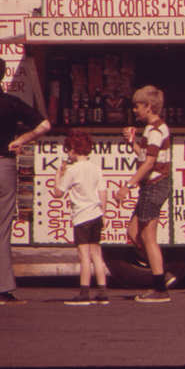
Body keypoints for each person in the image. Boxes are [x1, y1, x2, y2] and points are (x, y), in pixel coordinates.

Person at [0, 57, 51, 305]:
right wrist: (22, 139)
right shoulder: (11, 103)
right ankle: (3, 288)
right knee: (2, 229)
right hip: (4, 164)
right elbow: (44, 124)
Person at [115, 85, 172, 303]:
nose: (135, 110)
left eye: (137, 106)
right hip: (153, 185)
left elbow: (149, 163)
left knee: (149, 237)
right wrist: (132, 143)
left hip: (154, 185)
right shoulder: (152, 130)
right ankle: (158, 274)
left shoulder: (155, 130)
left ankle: (159, 286)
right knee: (133, 231)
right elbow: (147, 156)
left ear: (148, 107)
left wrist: (128, 186)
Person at [52, 130, 109, 305]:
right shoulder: (95, 168)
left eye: (69, 149)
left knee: (83, 255)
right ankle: (102, 292)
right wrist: (104, 213)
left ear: (74, 149)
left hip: (82, 216)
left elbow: (58, 193)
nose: (68, 153)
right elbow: (103, 192)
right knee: (97, 254)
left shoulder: (72, 170)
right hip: (96, 214)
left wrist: (58, 174)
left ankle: (84, 293)